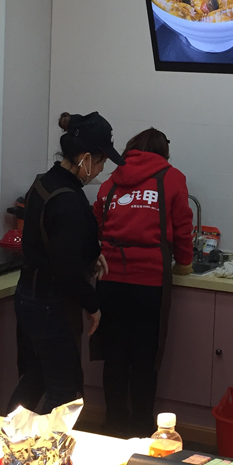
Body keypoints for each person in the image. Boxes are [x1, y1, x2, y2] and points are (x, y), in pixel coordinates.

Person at [10, 111, 122, 414]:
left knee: (35, 378)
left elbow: (51, 241)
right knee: (64, 391)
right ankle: (47, 445)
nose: (100, 170)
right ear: (85, 158)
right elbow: (67, 270)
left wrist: (90, 253)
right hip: (51, 305)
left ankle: (7, 436)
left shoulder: (44, 183)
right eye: (101, 161)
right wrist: (93, 305)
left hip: (28, 295)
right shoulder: (69, 200)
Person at [94, 127, 193, 438]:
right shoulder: (172, 178)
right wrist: (185, 263)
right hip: (149, 282)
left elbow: (96, 224)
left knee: (114, 357)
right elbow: (183, 226)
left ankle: (113, 424)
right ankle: (140, 427)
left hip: (109, 279)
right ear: (163, 152)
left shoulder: (111, 180)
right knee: (144, 358)